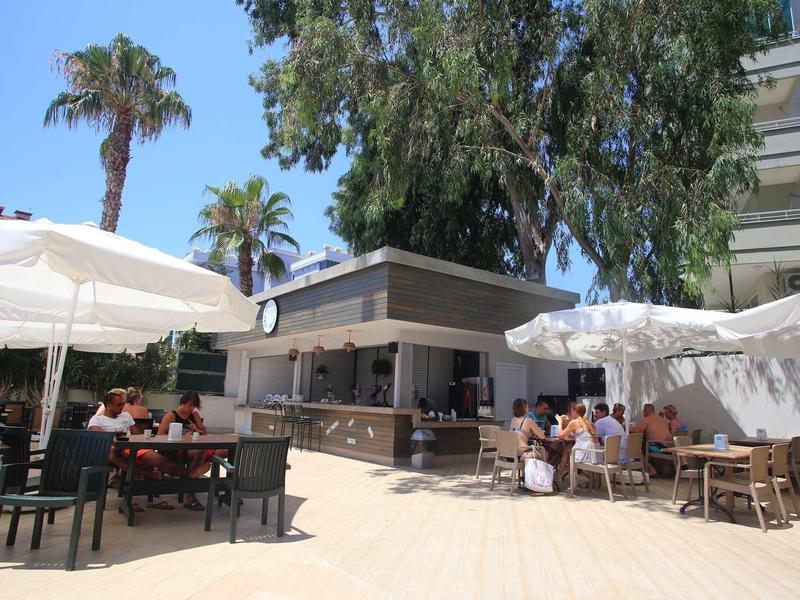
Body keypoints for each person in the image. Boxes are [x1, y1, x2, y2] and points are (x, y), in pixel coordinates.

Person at [88, 389, 184, 509]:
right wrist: (117, 435)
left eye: (123, 403)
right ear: (108, 405)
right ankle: (145, 474)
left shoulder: (126, 416)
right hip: (108, 453)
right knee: (113, 452)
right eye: (119, 404)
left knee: (156, 459)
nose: (123, 407)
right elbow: (100, 440)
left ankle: (185, 476)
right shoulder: (97, 419)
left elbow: (137, 435)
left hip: (129, 449)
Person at [157, 391, 213, 511]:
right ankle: (190, 492)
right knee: (201, 453)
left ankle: (189, 481)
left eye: (193, 406)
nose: (191, 408)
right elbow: (159, 435)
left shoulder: (194, 415)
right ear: (182, 403)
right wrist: (182, 437)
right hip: (175, 449)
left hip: (191, 447)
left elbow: (205, 435)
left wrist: (196, 429)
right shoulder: (171, 415)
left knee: (204, 451)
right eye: (189, 405)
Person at [558, 404, 602, 480]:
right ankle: (563, 475)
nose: (571, 413)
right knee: (568, 450)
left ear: (575, 411)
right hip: (596, 452)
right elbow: (584, 435)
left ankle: (562, 476)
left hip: (586, 453)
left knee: (566, 451)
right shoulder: (588, 421)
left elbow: (560, 436)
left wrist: (560, 422)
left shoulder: (574, 422)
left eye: (571, 411)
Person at [630, 403, 673, 477]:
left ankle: (650, 470)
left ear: (646, 411)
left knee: (636, 448)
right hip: (669, 446)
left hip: (659, 447)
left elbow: (636, 432)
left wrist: (630, 429)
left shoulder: (646, 420)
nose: (643, 413)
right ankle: (660, 468)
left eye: (643, 411)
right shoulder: (662, 419)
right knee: (645, 445)